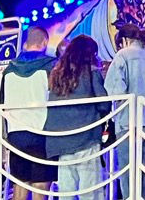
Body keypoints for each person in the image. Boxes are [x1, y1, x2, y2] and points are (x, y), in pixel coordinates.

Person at [104, 22, 145, 200]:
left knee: (129, 179)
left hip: (129, 123)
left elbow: (114, 92)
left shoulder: (123, 56)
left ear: (124, 40)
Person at [45, 36, 109, 200]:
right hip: (85, 136)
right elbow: (104, 104)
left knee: (67, 191)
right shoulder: (91, 71)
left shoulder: (56, 72)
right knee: (91, 191)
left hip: (60, 139)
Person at [0, 28, 58, 200]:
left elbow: (1, 101)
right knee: (41, 181)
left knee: (20, 181)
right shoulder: (51, 65)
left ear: (26, 44)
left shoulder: (9, 69)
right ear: (45, 42)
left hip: (15, 134)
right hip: (41, 132)